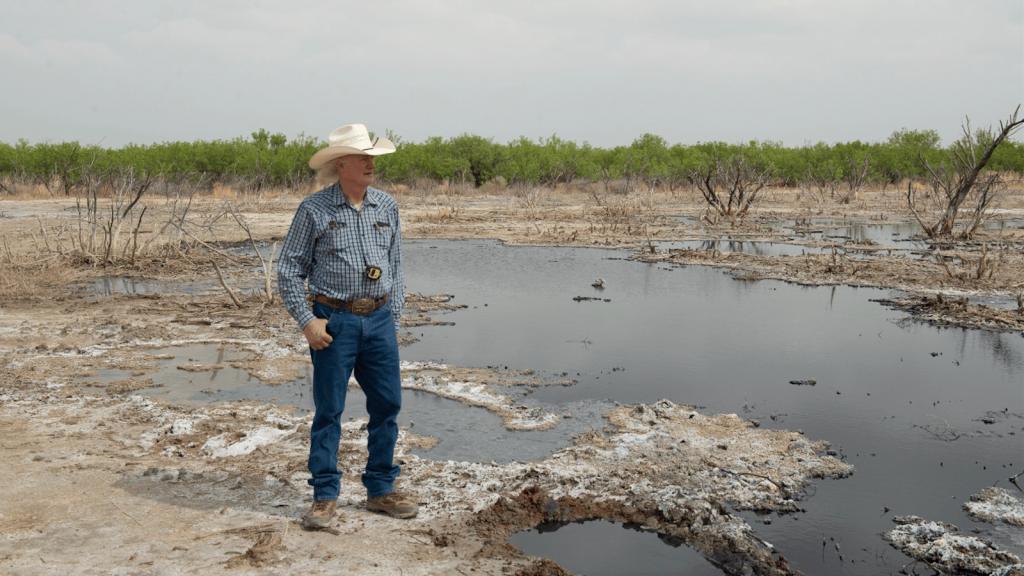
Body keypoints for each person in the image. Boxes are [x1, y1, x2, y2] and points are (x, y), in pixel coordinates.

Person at [277, 123, 417, 529]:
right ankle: (324, 496)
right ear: (341, 164)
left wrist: (393, 316)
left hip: (379, 319)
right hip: (333, 322)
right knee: (330, 410)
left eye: (372, 157)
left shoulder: (387, 206)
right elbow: (288, 270)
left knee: (388, 404)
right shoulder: (315, 210)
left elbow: (396, 265)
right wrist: (308, 322)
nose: (371, 163)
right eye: (362, 157)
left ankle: (380, 490)